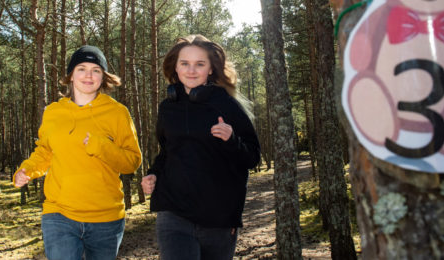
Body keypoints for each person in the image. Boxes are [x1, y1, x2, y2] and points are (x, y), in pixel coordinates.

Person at [14, 45, 142, 260]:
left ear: (104, 77)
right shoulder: (54, 112)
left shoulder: (118, 113)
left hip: (106, 217)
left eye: (96, 70)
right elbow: (45, 151)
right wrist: (27, 169)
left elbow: (132, 162)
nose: (88, 75)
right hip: (59, 213)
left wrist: (102, 146)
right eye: (81, 68)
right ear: (71, 75)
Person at [141, 34, 261, 260]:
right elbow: (167, 152)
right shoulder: (168, 107)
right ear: (175, 68)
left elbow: (252, 157)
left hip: (218, 217)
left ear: (210, 69)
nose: (191, 70)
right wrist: (153, 174)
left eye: (199, 64)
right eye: (184, 64)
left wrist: (231, 139)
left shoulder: (226, 104)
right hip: (173, 213)